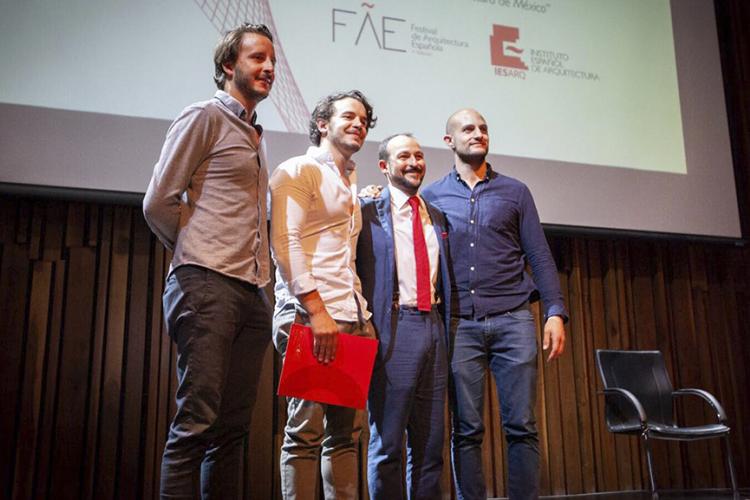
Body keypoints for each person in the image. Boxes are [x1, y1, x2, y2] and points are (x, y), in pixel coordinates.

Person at [142, 23, 275, 499]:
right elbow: (158, 200)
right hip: (206, 284)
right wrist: (195, 251)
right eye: (258, 58)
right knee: (196, 423)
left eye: (272, 61)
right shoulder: (203, 116)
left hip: (251, 290)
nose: (269, 68)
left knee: (233, 431)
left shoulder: (256, 135)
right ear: (227, 65)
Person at [420, 108, 567, 500]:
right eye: (468, 128)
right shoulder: (431, 195)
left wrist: (554, 311)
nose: (478, 133)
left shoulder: (516, 191)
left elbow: (539, 255)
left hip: (513, 320)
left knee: (521, 425)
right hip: (458, 325)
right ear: (448, 140)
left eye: (483, 128)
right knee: (466, 429)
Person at [270, 90, 377, 500]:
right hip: (311, 314)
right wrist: (317, 313)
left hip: (351, 315)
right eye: (348, 116)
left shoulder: (347, 178)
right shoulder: (297, 169)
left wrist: (360, 319)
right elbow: (285, 241)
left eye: (365, 120)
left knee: (346, 437)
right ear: (321, 124)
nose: (359, 124)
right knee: (305, 434)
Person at [357, 133, 452, 499]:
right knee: (388, 445)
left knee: (430, 449)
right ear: (384, 166)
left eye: (419, 155)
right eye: (403, 156)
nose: (414, 162)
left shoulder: (436, 214)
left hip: (435, 327)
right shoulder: (367, 211)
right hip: (394, 327)